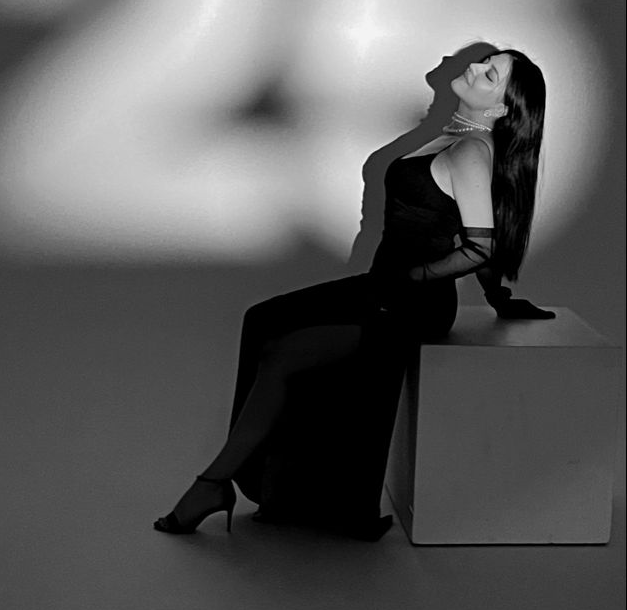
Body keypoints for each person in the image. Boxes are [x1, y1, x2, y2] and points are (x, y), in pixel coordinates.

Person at [154, 45, 555, 541]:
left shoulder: (472, 152)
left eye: (489, 73)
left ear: (500, 108)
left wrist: (415, 278)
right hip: (382, 287)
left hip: (409, 304)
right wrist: (496, 298)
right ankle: (277, 484)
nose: (473, 66)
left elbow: (478, 247)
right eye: (484, 61)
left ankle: (214, 484)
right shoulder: (457, 137)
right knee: (264, 319)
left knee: (284, 353)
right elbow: (458, 225)